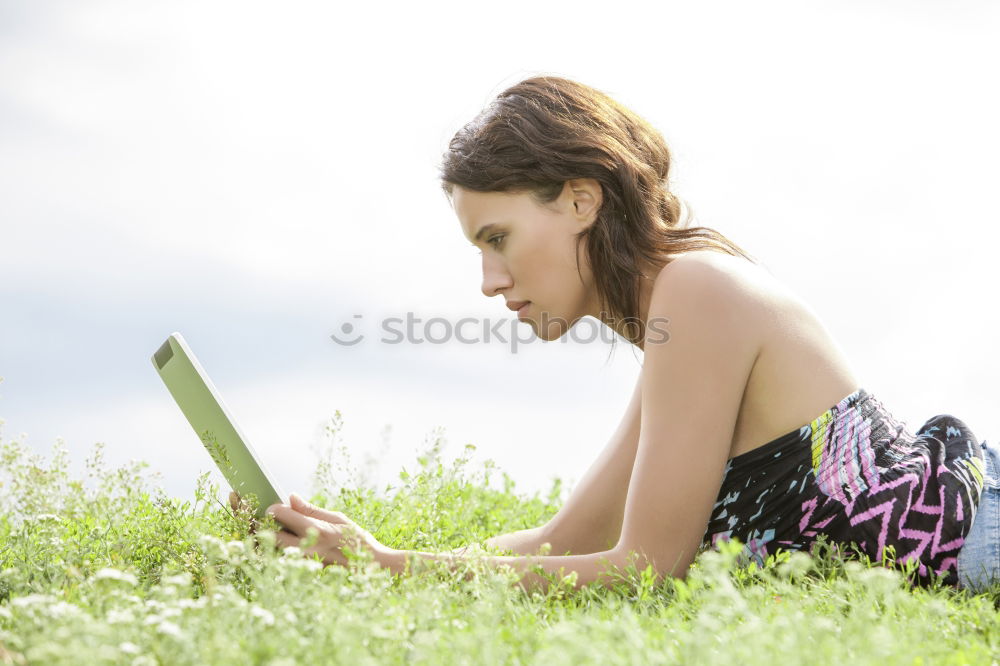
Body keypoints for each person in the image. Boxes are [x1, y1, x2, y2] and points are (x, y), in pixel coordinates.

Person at [233, 75, 996, 594]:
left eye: (497, 238)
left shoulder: (697, 290)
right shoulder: (677, 309)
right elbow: (564, 541)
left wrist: (390, 566)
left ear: (580, 202)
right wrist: (348, 552)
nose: (489, 282)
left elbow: (646, 568)